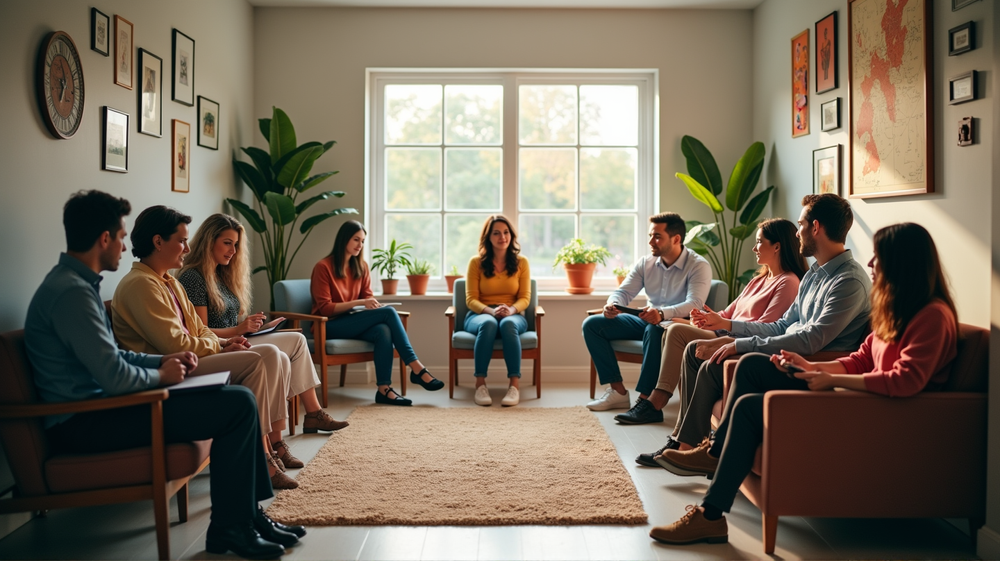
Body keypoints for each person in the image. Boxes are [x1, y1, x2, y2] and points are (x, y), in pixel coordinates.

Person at [25, 190, 304, 559]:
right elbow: (113, 376)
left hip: (105, 409)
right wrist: (163, 376)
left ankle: (245, 518)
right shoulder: (71, 293)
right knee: (236, 405)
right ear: (104, 238)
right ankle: (232, 526)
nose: (125, 248)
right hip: (87, 421)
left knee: (239, 400)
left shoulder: (77, 286)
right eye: (122, 238)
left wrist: (159, 365)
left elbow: (114, 357)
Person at [649, 222, 958, 545]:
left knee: (749, 406)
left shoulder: (932, 316)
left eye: (878, 257)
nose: (870, 264)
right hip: (863, 398)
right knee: (753, 365)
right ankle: (712, 488)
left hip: (880, 413)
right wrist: (811, 366)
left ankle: (710, 513)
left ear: (902, 262)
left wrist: (832, 380)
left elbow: (906, 381)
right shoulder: (895, 311)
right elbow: (861, 359)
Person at [651, 194, 872, 460]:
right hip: (786, 351)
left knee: (715, 364)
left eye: (801, 225)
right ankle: (689, 445)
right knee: (705, 355)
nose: (798, 233)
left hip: (807, 362)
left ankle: (704, 451)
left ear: (815, 227)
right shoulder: (814, 274)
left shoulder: (848, 281)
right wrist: (731, 337)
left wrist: (739, 343)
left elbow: (811, 340)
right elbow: (782, 325)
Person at [110, 206, 298, 490]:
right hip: (169, 369)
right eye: (182, 240)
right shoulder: (140, 285)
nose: (187, 249)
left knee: (269, 354)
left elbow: (198, 331)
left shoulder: (169, 281)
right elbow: (176, 344)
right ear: (158, 241)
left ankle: (267, 450)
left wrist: (226, 342)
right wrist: (219, 347)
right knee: (263, 357)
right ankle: (261, 455)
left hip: (189, 358)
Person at [178, 213, 349, 470]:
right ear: (208, 241)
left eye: (235, 245)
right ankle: (280, 442)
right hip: (218, 348)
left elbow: (228, 324)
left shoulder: (222, 275)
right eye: (227, 243)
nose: (233, 251)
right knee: (277, 353)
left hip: (237, 340)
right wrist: (239, 328)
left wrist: (255, 327)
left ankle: (312, 414)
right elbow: (201, 331)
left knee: (296, 339)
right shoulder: (193, 278)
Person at [634, 218, 806, 465]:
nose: (754, 248)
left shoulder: (788, 282)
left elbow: (767, 329)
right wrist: (706, 318)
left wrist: (722, 326)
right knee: (674, 329)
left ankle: (662, 405)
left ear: (777, 246)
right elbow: (727, 313)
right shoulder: (759, 279)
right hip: (724, 333)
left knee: (676, 333)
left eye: (759, 242)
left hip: (739, 340)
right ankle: (681, 435)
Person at [582, 212, 712, 424]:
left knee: (656, 328)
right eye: (651, 235)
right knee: (593, 325)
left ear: (676, 239)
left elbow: (695, 304)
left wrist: (662, 313)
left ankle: (645, 402)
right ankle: (618, 392)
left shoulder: (698, 265)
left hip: (677, 325)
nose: (651, 241)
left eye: (657, 236)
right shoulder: (646, 263)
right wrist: (612, 304)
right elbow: (623, 292)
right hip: (648, 319)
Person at [311, 220, 442, 406]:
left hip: (352, 322)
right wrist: (361, 302)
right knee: (388, 313)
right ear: (343, 240)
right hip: (328, 326)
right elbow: (325, 308)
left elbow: (367, 297)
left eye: (363, 241)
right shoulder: (323, 267)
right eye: (356, 239)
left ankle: (384, 390)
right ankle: (416, 368)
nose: (360, 245)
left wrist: (371, 304)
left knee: (383, 330)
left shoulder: (361, 267)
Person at [464, 215, 531, 407]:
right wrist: (491, 312)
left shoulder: (521, 263)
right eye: (496, 233)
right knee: (488, 323)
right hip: (480, 315)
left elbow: (525, 298)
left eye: (506, 232)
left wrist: (510, 310)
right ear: (488, 237)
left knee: (509, 324)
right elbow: (470, 299)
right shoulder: (475, 263)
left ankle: (514, 386)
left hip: (513, 314)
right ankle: (480, 385)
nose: (502, 237)